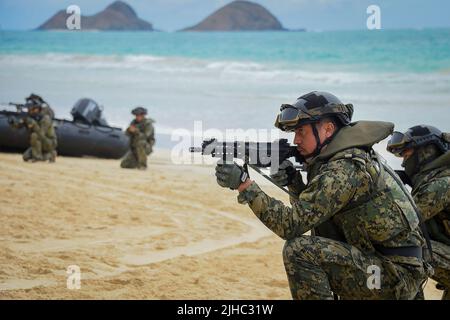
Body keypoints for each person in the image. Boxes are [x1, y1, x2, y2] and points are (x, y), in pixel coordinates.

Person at [214, 91, 428, 299]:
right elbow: (317, 215)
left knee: (299, 251)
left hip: (393, 277)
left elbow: (290, 225)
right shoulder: (345, 157)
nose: (296, 140)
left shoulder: (342, 169)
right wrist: (294, 184)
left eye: (301, 132)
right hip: (385, 266)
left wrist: (245, 185)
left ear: (327, 129)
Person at [387, 125, 450, 300]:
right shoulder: (435, 179)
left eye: (406, 155)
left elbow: (402, 221)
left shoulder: (441, 184)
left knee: (409, 249)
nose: (403, 162)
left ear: (426, 152)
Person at [9, 94, 57, 162]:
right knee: (26, 157)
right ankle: (49, 155)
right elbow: (18, 126)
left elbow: (41, 135)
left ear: (36, 109)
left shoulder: (45, 119)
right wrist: (13, 123)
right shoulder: (31, 118)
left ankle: (37, 158)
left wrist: (33, 124)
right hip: (39, 143)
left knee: (34, 135)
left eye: (31, 109)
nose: (29, 111)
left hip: (49, 143)